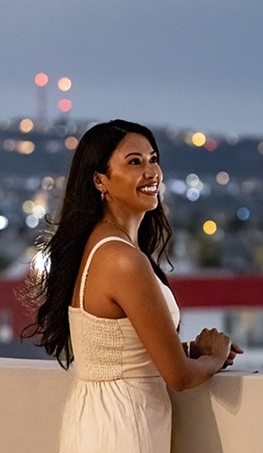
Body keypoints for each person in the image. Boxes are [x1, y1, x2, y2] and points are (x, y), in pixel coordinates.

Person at [23, 119, 242, 453]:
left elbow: (118, 350)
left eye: (153, 159)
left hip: (95, 420)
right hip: (125, 425)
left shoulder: (97, 245)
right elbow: (179, 377)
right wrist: (215, 356)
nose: (151, 171)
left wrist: (186, 350)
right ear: (100, 180)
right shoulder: (122, 259)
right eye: (134, 162)